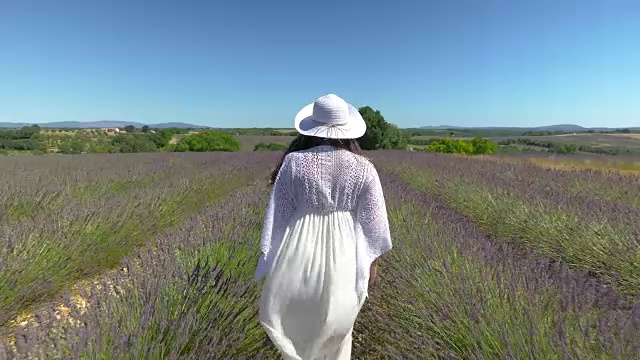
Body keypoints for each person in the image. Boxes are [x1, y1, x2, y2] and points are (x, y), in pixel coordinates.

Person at [255, 94, 393, 359]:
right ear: (347, 128)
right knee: (337, 328)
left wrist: (271, 258)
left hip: (297, 249)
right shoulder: (365, 168)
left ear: (312, 127)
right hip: (345, 252)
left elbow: (278, 215)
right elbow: (374, 226)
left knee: (297, 324)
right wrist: (371, 265)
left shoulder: (293, 162)